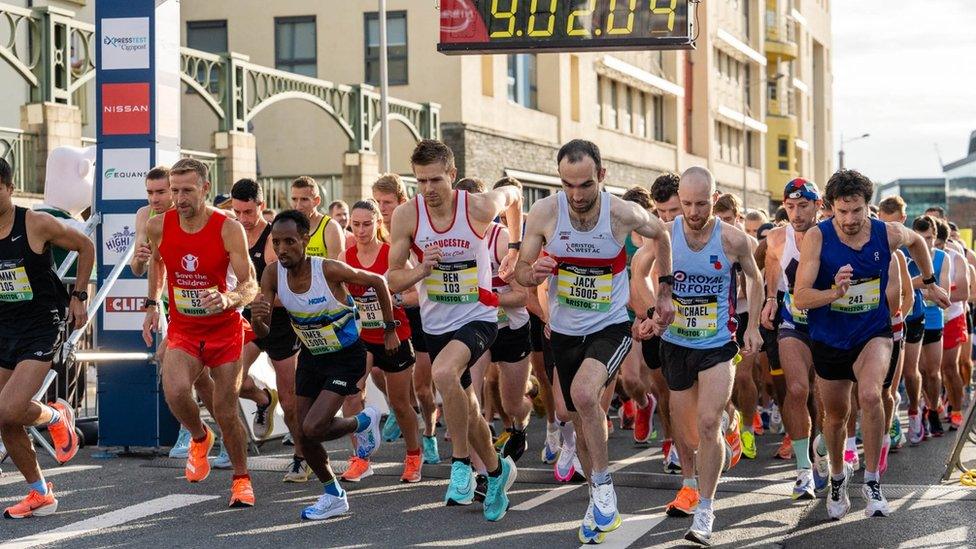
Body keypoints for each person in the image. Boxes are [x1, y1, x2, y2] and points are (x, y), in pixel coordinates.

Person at [516, 140, 674, 543]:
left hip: (610, 325)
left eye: (585, 185)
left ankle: (604, 487)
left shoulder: (622, 213)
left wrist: (665, 293)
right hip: (565, 331)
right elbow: (521, 271)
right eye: (568, 185)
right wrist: (534, 273)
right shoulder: (545, 212)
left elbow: (662, 236)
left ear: (601, 177)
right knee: (574, 417)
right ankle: (596, 496)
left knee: (586, 396)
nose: (577, 195)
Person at [794, 170, 949, 520]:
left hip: (872, 331)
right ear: (831, 208)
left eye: (857, 211)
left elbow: (918, 243)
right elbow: (801, 297)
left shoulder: (887, 232)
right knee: (835, 417)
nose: (849, 220)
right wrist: (834, 292)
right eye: (842, 212)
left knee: (870, 395)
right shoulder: (817, 238)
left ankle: (873, 480)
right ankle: (836, 477)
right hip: (829, 335)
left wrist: (929, 281)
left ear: (868, 207)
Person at [387, 139, 522, 522]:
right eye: (420, 181)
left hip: (479, 316)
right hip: (436, 323)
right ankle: (497, 473)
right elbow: (393, 279)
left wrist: (513, 247)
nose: (428, 190)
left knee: (442, 373)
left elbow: (514, 194)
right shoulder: (406, 216)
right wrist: (420, 272)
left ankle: (461, 465)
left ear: (452, 175)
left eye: (435, 180)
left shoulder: (477, 207)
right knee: (470, 409)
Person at [638, 167, 761, 546]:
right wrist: (650, 313)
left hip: (717, 344)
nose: (692, 212)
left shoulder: (733, 240)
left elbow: (755, 279)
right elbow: (636, 271)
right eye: (686, 203)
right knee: (688, 433)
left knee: (708, 425)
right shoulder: (665, 235)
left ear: (714, 197)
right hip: (676, 344)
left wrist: (753, 324)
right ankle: (724, 430)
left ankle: (705, 509)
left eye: (701, 203)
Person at [251, 209, 394, 521]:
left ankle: (363, 421)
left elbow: (378, 281)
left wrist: (389, 328)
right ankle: (333, 494)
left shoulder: (328, 270)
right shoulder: (273, 275)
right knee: (303, 435)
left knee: (314, 427)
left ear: (305, 239)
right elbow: (263, 332)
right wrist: (258, 318)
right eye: (277, 242)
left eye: (290, 241)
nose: (282, 248)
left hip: (346, 357)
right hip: (312, 358)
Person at [142, 158, 258, 508]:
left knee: (225, 408)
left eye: (187, 190)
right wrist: (151, 304)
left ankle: (241, 479)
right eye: (174, 190)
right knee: (175, 391)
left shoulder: (228, 228)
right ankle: (199, 436)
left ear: (205, 188)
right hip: (185, 329)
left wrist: (228, 297)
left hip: (224, 330)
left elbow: (250, 284)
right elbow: (157, 262)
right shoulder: (159, 225)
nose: (179, 198)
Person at [0, 158, 93, 519]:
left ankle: (55, 417)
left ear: (9, 189)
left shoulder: (35, 222)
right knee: (4, 418)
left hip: (42, 324)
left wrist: (79, 295)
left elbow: (85, 247)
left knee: (8, 409)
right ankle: (40, 493)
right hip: (5, 326)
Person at [130, 166, 221, 461]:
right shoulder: (146, 216)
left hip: (207, 300)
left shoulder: (195, 214)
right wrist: (151, 303)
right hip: (173, 301)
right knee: (182, 367)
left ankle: (213, 427)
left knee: (193, 370)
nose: (155, 199)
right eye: (150, 192)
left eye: (161, 192)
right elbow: (142, 266)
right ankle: (199, 428)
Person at [229, 179, 308, 482]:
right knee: (227, 380)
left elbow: (279, 290)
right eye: (237, 212)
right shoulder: (233, 232)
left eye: (248, 212)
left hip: (279, 323)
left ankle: (301, 457)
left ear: (260, 206)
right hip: (249, 319)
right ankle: (263, 399)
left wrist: (243, 296)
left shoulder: (273, 239)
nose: (243, 219)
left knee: (290, 400)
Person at [340, 199, 424, 483]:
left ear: (377, 223)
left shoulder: (392, 254)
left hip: (395, 336)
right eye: (356, 224)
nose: (361, 230)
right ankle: (361, 457)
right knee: (351, 395)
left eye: (367, 224)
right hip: (362, 338)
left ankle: (413, 454)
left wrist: (394, 298)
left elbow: (417, 293)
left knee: (400, 404)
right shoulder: (344, 256)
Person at [761, 178, 824, 498]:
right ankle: (803, 472)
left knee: (829, 396)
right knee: (797, 389)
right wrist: (771, 299)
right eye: (790, 206)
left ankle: (826, 447)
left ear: (818, 206)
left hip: (830, 324)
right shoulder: (776, 237)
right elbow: (772, 263)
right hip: (793, 323)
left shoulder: (832, 235)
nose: (796, 213)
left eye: (803, 206)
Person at [373, 174, 441, 466]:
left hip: (420, 315)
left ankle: (429, 434)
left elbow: (416, 292)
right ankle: (399, 407)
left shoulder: (412, 232)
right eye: (378, 202)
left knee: (424, 387)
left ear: (402, 202)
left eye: (387, 202)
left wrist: (394, 297)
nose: (382, 209)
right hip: (389, 321)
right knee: (377, 371)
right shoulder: (372, 234)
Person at [631, 172, 684, 475]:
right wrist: (652, 312)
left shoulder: (709, 234)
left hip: (700, 326)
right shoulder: (656, 235)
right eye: (661, 212)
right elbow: (638, 272)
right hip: (661, 323)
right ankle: (672, 441)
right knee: (665, 391)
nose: (667, 219)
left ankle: (720, 426)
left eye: (674, 211)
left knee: (697, 392)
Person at [289, 176, 345, 260]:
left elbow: (336, 270)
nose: (298, 206)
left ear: (317, 201)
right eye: (294, 199)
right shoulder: (287, 227)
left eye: (304, 199)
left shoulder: (331, 228)